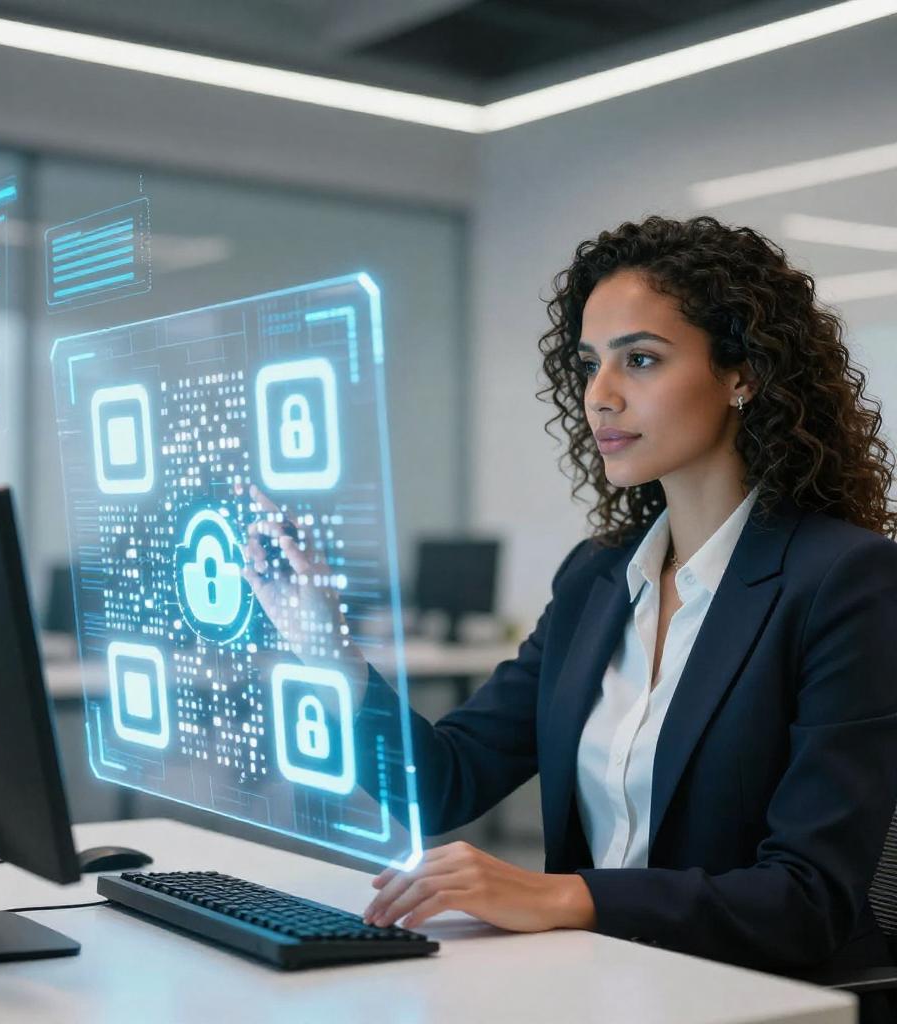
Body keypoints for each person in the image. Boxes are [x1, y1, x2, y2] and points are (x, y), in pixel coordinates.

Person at [243, 215, 897, 1022]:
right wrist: (324, 646)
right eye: (589, 366)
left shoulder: (844, 581)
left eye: (642, 360)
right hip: (596, 987)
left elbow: (805, 900)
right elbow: (443, 783)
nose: (601, 396)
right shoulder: (596, 578)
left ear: (742, 376)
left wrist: (563, 896)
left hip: (757, 1001)